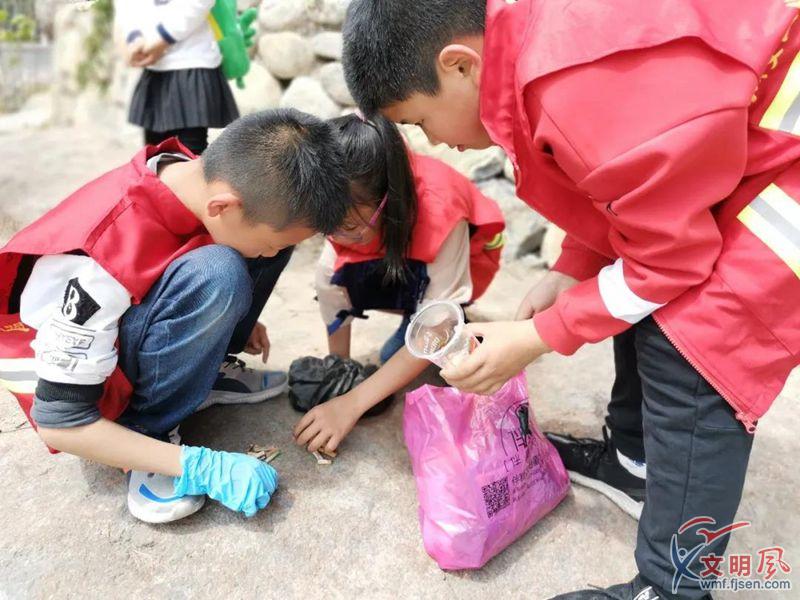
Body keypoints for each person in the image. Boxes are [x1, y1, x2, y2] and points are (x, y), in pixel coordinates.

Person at [341, 1, 800, 598]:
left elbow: (669, 259)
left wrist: (538, 337)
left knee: (695, 336)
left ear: (459, 66)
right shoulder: (539, 45)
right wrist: (575, 266)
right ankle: (634, 461)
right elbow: (638, 185)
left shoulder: (569, 88)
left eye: (421, 121)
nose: (435, 142)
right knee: (630, 288)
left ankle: (672, 587)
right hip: (750, 140)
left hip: (785, 169)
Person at [0, 109, 350, 523]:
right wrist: (199, 466)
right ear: (223, 207)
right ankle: (145, 431)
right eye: (273, 244)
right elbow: (61, 421)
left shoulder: (196, 176)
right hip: (87, 376)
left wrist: (229, 322)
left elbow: (196, 251)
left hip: (131, 318)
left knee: (251, 250)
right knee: (220, 272)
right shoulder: (102, 264)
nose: (273, 255)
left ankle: (199, 371)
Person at [293, 112, 504, 455]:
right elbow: (330, 285)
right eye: (326, 225)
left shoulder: (440, 210)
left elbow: (436, 327)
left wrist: (353, 403)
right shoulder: (346, 215)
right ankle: (411, 313)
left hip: (457, 264)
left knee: (413, 352)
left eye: (347, 226)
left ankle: (432, 315)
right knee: (340, 277)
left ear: (387, 202)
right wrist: (340, 371)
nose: (334, 236)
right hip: (392, 249)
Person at [115, 0, 239, 154]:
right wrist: (135, 37)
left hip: (192, 63)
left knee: (189, 156)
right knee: (154, 157)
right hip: (155, 68)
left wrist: (163, 38)